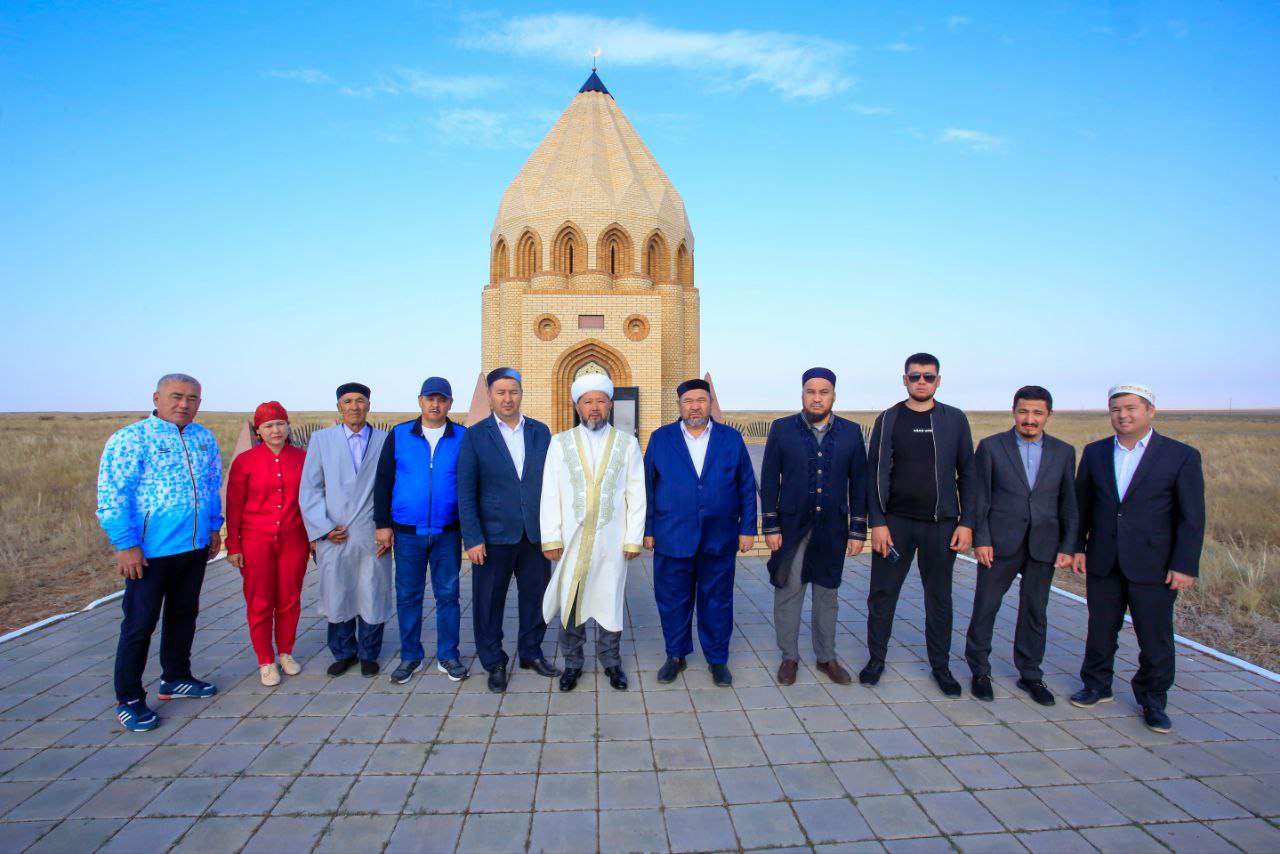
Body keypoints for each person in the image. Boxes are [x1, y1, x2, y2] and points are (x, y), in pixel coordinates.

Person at [1070, 384, 1205, 733]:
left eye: (1131, 408)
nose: (1123, 415)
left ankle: (1153, 699)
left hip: (1154, 564)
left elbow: (1191, 517)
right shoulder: (1096, 452)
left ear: (1150, 411)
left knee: (1154, 636)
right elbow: (1082, 505)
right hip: (1104, 559)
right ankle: (1096, 685)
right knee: (1101, 629)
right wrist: (1078, 546)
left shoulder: (1180, 456)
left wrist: (1184, 564)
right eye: (1116, 409)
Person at [97, 373, 222, 732]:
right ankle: (129, 698)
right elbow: (113, 494)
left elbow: (212, 485)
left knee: (184, 614)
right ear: (157, 398)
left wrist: (214, 526)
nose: (184, 404)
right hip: (149, 551)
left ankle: (176, 676)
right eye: (176, 396)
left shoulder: (203, 438)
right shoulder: (131, 439)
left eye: (192, 399)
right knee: (140, 623)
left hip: (193, 546)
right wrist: (126, 544)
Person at [863, 353, 978, 697]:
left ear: (938, 381)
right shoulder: (889, 419)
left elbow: (968, 473)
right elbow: (874, 474)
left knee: (939, 598)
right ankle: (876, 660)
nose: (922, 382)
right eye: (915, 376)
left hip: (941, 525)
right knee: (882, 595)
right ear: (905, 380)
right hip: (895, 524)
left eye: (929, 376)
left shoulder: (954, 420)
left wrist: (967, 522)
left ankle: (941, 667)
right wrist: (878, 522)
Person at [964, 386, 1078, 705]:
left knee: (1035, 611)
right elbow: (979, 497)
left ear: (1048, 415)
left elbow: (1069, 502)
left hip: (1044, 544)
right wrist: (982, 539)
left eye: (1037, 413)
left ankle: (1030, 675)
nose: (1030, 419)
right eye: (1024, 411)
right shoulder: (991, 447)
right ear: (1014, 411)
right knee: (985, 607)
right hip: (999, 543)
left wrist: (1068, 545)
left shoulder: (1063, 452)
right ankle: (980, 671)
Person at [644, 379, 758, 687]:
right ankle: (675, 655)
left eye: (701, 400)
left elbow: (747, 486)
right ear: (679, 405)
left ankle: (717, 660)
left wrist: (748, 528)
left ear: (710, 403)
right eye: (688, 401)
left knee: (717, 601)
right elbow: (647, 487)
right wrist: (648, 530)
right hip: (672, 536)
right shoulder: (661, 439)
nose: (695, 406)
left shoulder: (731, 439)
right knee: (672, 600)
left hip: (719, 537)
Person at [760, 368, 868, 687]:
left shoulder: (851, 432)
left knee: (827, 595)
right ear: (802, 394)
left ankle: (826, 657)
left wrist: (857, 530)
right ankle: (789, 657)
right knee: (788, 592)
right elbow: (769, 479)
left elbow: (859, 484)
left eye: (823, 392)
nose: (817, 398)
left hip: (832, 528)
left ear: (834, 395)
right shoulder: (782, 429)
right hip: (792, 527)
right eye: (811, 391)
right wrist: (771, 526)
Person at [540, 374, 646, 692]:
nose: (595, 407)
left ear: (610, 405)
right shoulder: (560, 443)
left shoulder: (627, 443)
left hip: (611, 540)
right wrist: (551, 537)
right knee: (572, 601)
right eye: (588, 401)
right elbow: (550, 492)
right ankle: (572, 664)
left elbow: (636, 493)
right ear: (577, 406)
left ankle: (611, 662)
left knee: (609, 599)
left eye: (601, 400)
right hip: (572, 540)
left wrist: (633, 538)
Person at [458, 368, 558, 694]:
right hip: (493, 537)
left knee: (536, 598)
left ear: (521, 394)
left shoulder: (540, 432)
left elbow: (553, 484)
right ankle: (494, 661)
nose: (507, 398)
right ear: (490, 396)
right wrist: (473, 538)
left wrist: (554, 531)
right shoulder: (475, 436)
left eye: (513, 391)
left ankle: (531, 652)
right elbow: (465, 491)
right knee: (489, 603)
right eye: (500, 392)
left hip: (534, 535)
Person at [374, 377, 469, 684]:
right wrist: (382, 524)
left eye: (441, 399)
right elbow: (384, 481)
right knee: (408, 597)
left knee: (448, 596)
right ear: (420, 401)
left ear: (450, 403)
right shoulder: (400, 434)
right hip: (406, 533)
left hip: (447, 532)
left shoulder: (462, 437)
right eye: (430, 399)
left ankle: (448, 656)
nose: (435, 404)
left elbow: (470, 484)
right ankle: (410, 656)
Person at [299, 382, 394, 678]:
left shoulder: (384, 440)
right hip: (334, 531)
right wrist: (324, 528)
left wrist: (387, 526)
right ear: (339, 407)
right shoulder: (322, 440)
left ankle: (369, 653)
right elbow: (311, 488)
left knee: (372, 591)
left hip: (371, 530)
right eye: (348, 401)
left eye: (360, 400)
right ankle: (343, 653)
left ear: (369, 405)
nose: (355, 406)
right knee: (337, 592)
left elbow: (393, 486)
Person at [226, 401, 310, 687]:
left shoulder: (302, 458)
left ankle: (285, 652)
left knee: (289, 598)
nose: (276, 430)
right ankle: (265, 659)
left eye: (280, 424)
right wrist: (234, 546)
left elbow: (310, 500)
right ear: (258, 431)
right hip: (255, 541)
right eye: (268, 426)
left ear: (288, 426)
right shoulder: (245, 462)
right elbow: (234, 506)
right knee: (260, 601)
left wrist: (314, 538)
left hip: (294, 539)